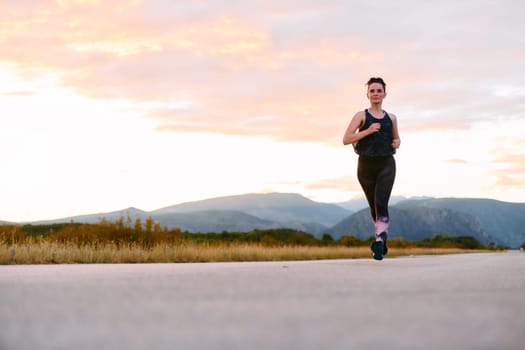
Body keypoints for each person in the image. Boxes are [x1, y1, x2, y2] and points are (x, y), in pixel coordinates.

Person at [342, 77, 401, 260]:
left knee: (381, 203)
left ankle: (379, 240)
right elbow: (346, 139)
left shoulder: (392, 118)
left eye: (379, 90)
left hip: (386, 164)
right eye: (372, 91)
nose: (376, 94)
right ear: (368, 94)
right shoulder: (361, 116)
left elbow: (396, 139)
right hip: (366, 165)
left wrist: (397, 142)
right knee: (374, 207)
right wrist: (367, 131)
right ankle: (382, 238)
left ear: (385, 94)